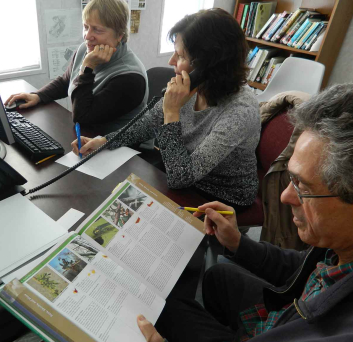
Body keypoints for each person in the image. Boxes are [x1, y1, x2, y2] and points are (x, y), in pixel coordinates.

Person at [135, 83, 353, 342]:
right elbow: (305, 265)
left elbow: (180, 174)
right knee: (220, 273)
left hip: (275, 339)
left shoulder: (340, 341)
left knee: (165, 307)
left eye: (304, 187)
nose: (285, 197)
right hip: (284, 317)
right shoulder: (344, 247)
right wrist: (239, 242)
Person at [72, 8, 261, 212]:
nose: (171, 61)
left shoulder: (239, 110)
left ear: (206, 66)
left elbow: (181, 178)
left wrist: (171, 113)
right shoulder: (194, 88)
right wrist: (104, 141)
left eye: (179, 56)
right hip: (179, 175)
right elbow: (146, 125)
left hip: (220, 197)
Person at [4, 0, 148, 135]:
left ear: (119, 35)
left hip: (121, 151)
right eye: (86, 27)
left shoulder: (131, 78)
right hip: (89, 137)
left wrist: (87, 68)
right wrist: (38, 96)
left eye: (97, 30)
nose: (87, 36)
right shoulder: (85, 50)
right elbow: (67, 80)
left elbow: (83, 117)